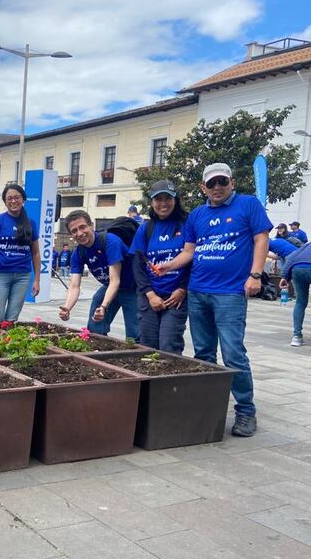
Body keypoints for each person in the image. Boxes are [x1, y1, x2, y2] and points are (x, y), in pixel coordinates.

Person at [155, 163, 271, 437]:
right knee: (204, 353)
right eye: (211, 183)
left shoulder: (248, 204)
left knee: (233, 352)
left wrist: (255, 274)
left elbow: (261, 239)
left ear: (231, 181)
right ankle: (206, 405)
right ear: (202, 187)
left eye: (222, 181)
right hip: (198, 292)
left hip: (230, 294)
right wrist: (168, 266)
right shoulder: (197, 215)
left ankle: (245, 411)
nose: (217, 187)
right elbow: (189, 252)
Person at [129, 180, 190, 354]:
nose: (163, 203)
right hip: (149, 295)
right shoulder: (146, 228)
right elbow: (138, 264)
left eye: (167, 198)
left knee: (169, 345)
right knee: (147, 346)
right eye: (158, 199)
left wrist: (182, 289)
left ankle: (172, 382)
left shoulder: (187, 224)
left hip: (176, 296)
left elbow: (193, 260)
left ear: (176, 200)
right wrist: (150, 294)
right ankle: (148, 382)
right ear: (152, 202)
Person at [58, 210, 138, 340]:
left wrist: (104, 306)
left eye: (82, 227)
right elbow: (74, 286)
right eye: (74, 231)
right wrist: (67, 307)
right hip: (109, 286)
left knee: (135, 335)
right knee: (94, 329)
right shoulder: (78, 253)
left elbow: (115, 280)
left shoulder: (111, 242)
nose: (79, 233)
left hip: (132, 287)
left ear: (91, 225)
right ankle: (98, 352)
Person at [0, 183, 41, 324]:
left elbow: (36, 253)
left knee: (11, 318)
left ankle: (6, 341)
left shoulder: (30, 223)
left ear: (23, 199)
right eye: (9, 198)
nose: (13, 201)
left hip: (23, 276)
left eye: (17, 197)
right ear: (5, 201)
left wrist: (37, 280)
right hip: (0, 275)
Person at [280, 242, 311, 347]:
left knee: (300, 302)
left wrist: (284, 277)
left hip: (297, 269)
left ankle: (296, 337)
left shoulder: (306, 246)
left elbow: (292, 257)